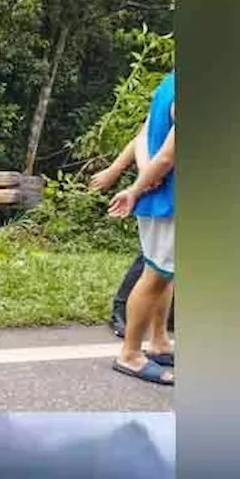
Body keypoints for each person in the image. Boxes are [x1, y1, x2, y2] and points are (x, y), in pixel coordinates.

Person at [104, 70, 175, 385]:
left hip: (161, 197)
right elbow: (166, 158)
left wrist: (139, 182)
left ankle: (159, 341)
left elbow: (145, 135)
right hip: (169, 201)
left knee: (163, 271)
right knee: (155, 276)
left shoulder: (170, 82)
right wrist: (137, 188)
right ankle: (130, 354)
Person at [90, 105, 175, 340]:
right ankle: (128, 332)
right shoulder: (170, 89)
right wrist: (143, 173)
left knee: (163, 269)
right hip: (164, 191)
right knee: (156, 266)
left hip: (160, 186)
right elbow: (145, 136)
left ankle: (158, 338)